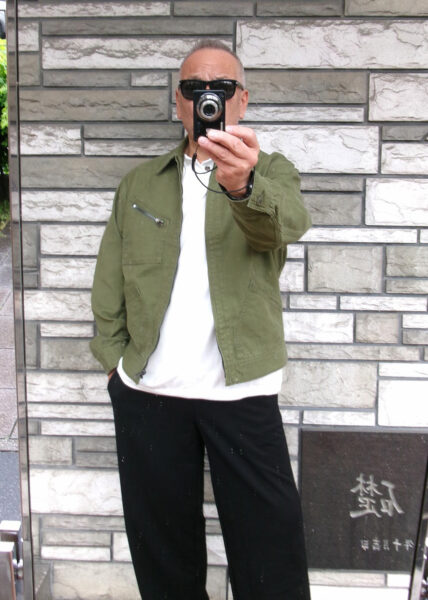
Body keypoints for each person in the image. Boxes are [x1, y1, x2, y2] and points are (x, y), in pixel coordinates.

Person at [90, 39, 312, 600]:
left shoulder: (270, 172)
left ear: (242, 100)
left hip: (241, 392)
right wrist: (115, 365)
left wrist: (243, 184)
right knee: (164, 559)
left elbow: (283, 226)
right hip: (149, 394)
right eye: (194, 88)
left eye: (220, 88)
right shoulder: (141, 183)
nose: (206, 97)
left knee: (271, 559)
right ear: (178, 101)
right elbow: (110, 278)